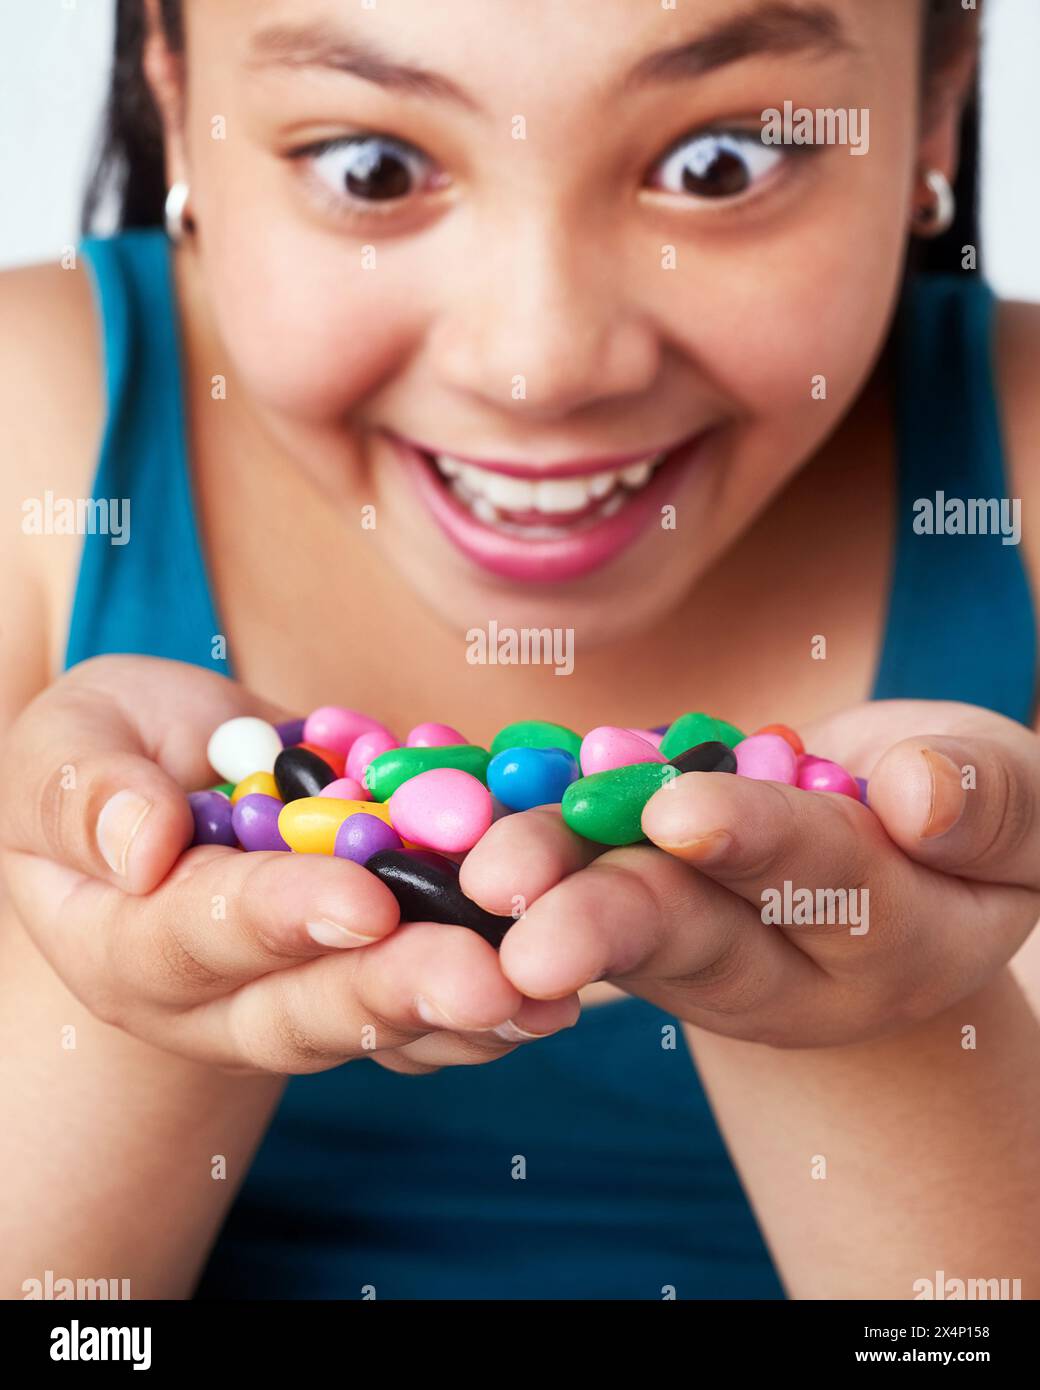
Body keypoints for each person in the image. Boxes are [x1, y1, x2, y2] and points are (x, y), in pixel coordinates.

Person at [1, 0, 1038, 1301]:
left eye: (721, 162)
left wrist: (862, 1024)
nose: (540, 364)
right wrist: (165, 985)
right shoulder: (29, 436)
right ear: (175, 80)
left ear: (939, 94)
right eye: (369, 165)